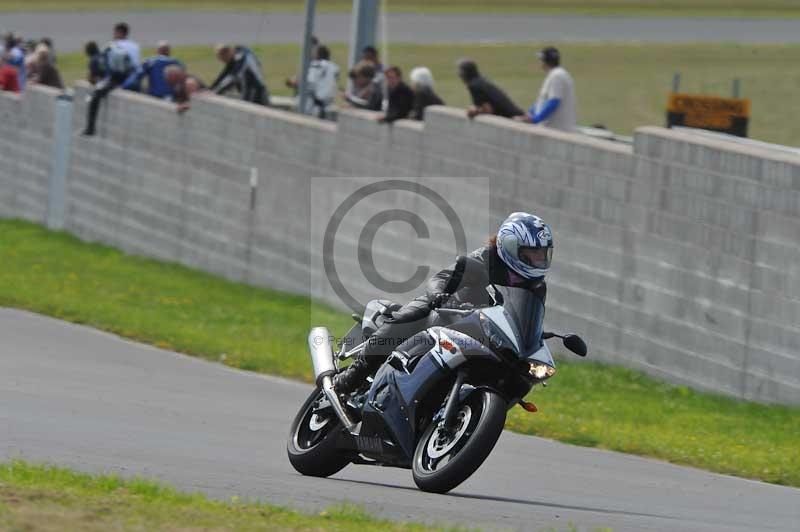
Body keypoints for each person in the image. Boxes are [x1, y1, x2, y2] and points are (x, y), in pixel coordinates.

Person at [333, 211, 554, 395]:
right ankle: (354, 374)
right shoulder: (488, 258)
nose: (538, 261)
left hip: (486, 330)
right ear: (510, 245)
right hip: (450, 310)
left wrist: (532, 336)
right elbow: (442, 278)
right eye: (531, 254)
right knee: (411, 316)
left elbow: (527, 314)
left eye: (542, 254)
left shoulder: (536, 286)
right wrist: (439, 295)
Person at [82, 22, 140, 136]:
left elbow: (103, 64)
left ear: (119, 32)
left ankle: (90, 128)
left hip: (117, 79)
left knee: (95, 97)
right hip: (133, 78)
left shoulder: (112, 45)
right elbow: (137, 65)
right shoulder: (135, 46)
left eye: (115, 32)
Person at [514, 46, 576, 132]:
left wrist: (535, 119)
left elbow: (554, 102)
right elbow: (543, 100)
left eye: (541, 60)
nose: (540, 63)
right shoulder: (555, 74)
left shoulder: (557, 76)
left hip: (556, 131)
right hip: (552, 129)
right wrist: (529, 113)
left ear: (546, 61)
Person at [457, 58, 523, 119]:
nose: (458, 74)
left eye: (460, 71)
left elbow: (488, 110)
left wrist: (474, 111)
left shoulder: (474, 85)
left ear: (465, 73)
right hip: (516, 115)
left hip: (513, 118)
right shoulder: (481, 80)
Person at [286, 44, 340, 118]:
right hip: (328, 104)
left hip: (311, 105)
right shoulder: (335, 67)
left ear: (317, 55)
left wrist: (292, 82)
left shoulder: (314, 65)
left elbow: (300, 82)